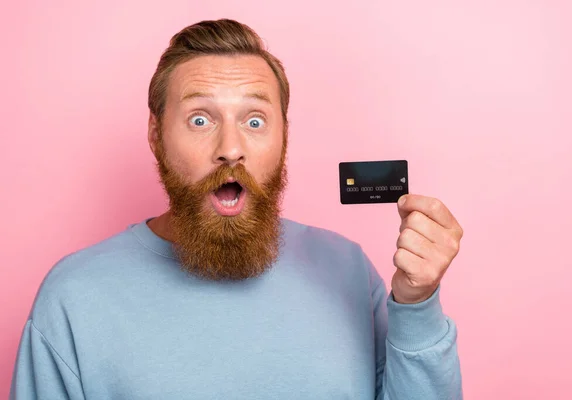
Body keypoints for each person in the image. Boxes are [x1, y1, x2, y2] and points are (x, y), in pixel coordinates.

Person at [10, 19, 464, 399]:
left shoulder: (348, 270)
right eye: (200, 120)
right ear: (155, 134)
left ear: (284, 136)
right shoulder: (74, 299)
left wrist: (417, 304)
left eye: (254, 121)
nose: (231, 148)